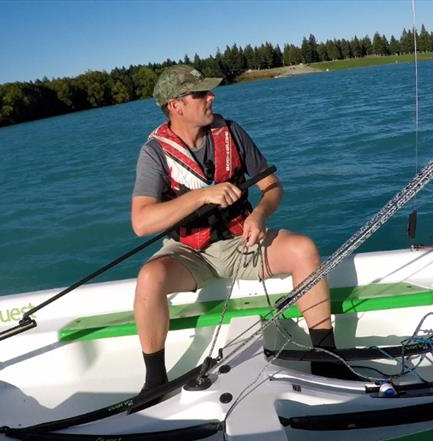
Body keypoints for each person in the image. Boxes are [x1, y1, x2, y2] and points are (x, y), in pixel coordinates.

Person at [131, 65, 350, 395]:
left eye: (209, 91)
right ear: (175, 106)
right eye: (200, 93)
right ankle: (154, 382)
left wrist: (260, 214)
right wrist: (203, 194)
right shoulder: (154, 153)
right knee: (149, 277)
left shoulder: (231, 132)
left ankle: (326, 359)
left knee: (304, 249)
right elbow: (141, 222)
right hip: (190, 254)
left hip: (242, 242)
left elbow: (273, 187)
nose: (211, 97)